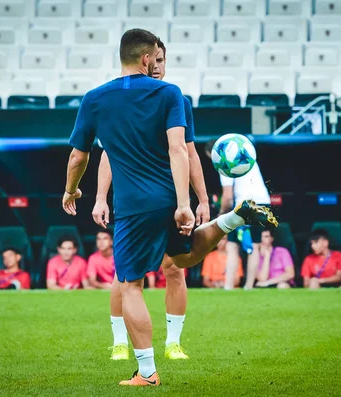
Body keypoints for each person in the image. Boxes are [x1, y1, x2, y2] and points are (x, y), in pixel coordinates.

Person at [63, 28, 277, 386]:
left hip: (132, 206)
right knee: (183, 258)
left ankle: (146, 373)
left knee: (130, 284)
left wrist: (72, 191)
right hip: (167, 197)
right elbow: (181, 150)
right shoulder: (171, 94)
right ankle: (233, 218)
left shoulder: (95, 99)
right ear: (147, 58)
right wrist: (186, 203)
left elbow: (78, 156)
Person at [93, 38, 209, 362]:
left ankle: (173, 342)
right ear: (142, 60)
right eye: (152, 59)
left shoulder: (176, 99)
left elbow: (187, 151)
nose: (156, 66)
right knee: (127, 275)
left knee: (173, 268)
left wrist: (201, 198)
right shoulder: (122, 100)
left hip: (172, 199)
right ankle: (120, 342)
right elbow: (108, 155)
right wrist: (101, 196)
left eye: (162, 60)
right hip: (134, 201)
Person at [204, 139, 271, 290]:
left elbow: (227, 197)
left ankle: (228, 286)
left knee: (232, 246)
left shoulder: (224, 161)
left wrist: (221, 214)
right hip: (262, 202)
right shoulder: (245, 154)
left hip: (244, 204)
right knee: (254, 245)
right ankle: (249, 286)